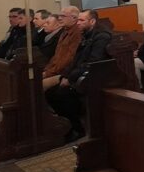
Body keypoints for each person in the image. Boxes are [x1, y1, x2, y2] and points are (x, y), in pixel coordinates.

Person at [45, 9, 112, 142]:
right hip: (82, 73)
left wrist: (70, 78)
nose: (78, 23)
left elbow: (93, 61)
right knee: (51, 93)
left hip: (97, 75)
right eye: (78, 20)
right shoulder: (86, 35)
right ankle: (69, 126)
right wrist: (66, 75)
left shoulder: (102, 36)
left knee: (61, 94)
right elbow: (75, 60)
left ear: (92, 21)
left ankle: (77, 129)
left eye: (82, 20)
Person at [43, 6, 83, 90]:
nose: (60, 18)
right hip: (55, 70)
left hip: (64, 73)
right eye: (59, 16)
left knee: (38, 85)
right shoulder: (64, 32)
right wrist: (47, 70)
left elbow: (69, 58)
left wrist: (49, 73)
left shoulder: (77, 33)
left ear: (74, 18)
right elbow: (56, 55)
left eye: (63, 16)